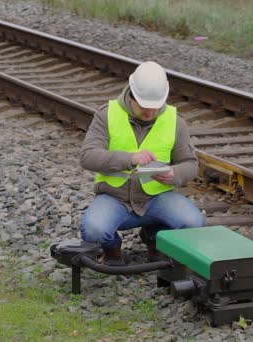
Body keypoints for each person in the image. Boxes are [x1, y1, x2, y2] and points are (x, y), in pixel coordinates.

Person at [79, 61, 205, 266]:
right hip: (115, 198)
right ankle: (112, 250)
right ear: (131, 96)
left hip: (157, 198)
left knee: (194, 223)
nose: (150, 113)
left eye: (155, 108)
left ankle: (155, 238)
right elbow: (87, 157)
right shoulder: (107, 114)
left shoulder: (175, 120)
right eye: (145, 108)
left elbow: (190, 164)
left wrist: (174, 173)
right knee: (94, 230)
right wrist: (129, 159)